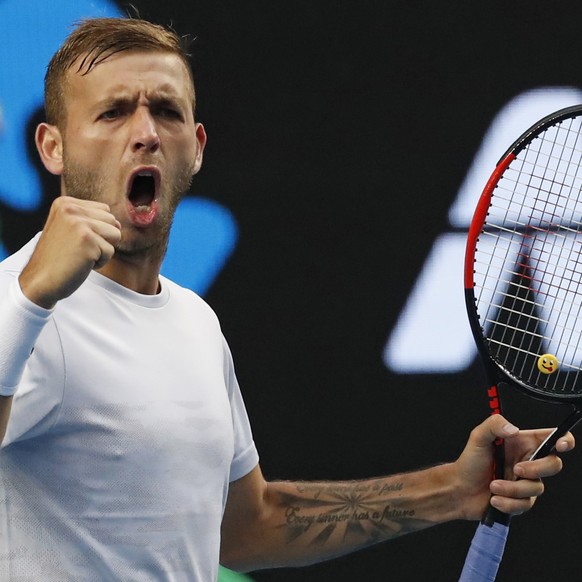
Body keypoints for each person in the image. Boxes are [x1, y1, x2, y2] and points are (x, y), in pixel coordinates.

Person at [0, 16, 574, 581]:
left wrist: (451, 489)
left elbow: (249, 526)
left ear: (195, 148)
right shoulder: (20, 305)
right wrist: (30, 299)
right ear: (53, 147)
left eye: (167, 111)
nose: (146, 132)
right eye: (114, 111)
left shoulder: (193, 321)